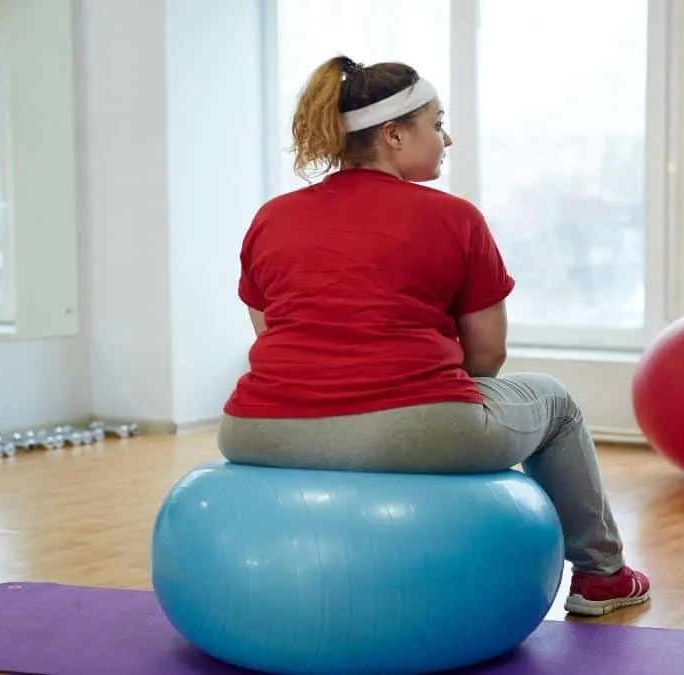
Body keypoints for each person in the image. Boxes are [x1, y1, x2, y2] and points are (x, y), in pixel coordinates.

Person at [219, 54, 650, 617]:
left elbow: (270, 330)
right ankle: (603, 577)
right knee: (557, 403)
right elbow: (488, 355)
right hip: (412, 426)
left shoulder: (272, 216)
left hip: (258, 430)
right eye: (437, 123)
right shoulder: (455, 218)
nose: (447, 140)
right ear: (394, 134)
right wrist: (412, 408)